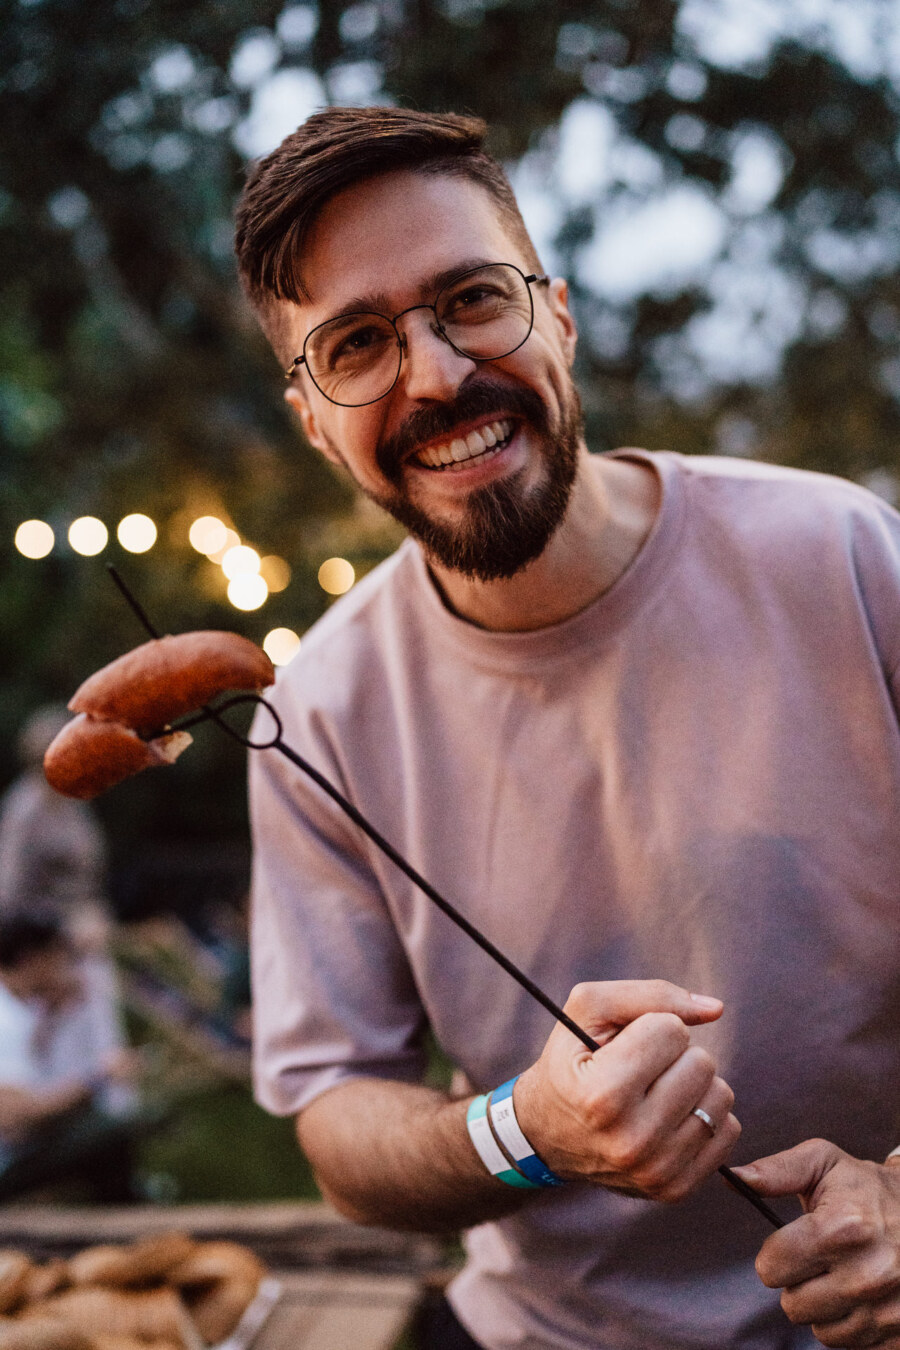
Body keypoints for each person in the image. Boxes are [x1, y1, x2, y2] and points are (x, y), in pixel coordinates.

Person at [236, 108, 900, 1350]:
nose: (435, 375)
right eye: (357, 346)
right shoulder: (315, 714)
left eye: (474, 299)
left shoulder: (846, 555)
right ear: (314, 420)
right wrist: (527, 1131)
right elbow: (336, 1124)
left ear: (561, 313)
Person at [0, 909, 140, 1202]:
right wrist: (96, 1079)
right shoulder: (7, 1018)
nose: (65, 966)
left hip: (20, 1148)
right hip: (8, 1158)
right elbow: (12, 1116)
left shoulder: (26, 1009)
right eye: (58, 957)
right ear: (34, 959)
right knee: (111, 1128)